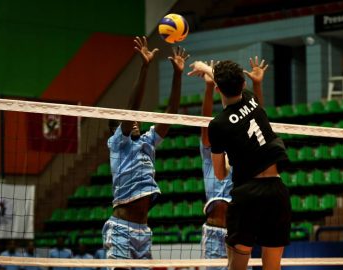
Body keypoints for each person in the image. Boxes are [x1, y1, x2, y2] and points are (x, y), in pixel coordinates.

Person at [188, 60, 290, 270]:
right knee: (273, 266)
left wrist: (229, 157)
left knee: (237, 265)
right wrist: (207, 69)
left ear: (217, 88)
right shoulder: (252, 100)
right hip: (277, 191)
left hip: (248, 195)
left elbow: (219, 174)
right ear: (243, 84)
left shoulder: (218, 125)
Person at [102, 36, 189, 265]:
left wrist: (178, 74)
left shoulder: (148, 142)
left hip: (143, 231)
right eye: (131, 121)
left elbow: (171, 111)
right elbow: (133, 109)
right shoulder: (118, 144)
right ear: (116, 130)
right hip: (120, 228)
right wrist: (145, 67)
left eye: (138, 120)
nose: (136, 121)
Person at [198, 57, 268, 270]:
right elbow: (205, 120)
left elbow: (256, 116)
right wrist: (210, 88)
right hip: (213, 233)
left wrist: (257, 84)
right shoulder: (211, 151)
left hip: (238, 230)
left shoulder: (243, 151)